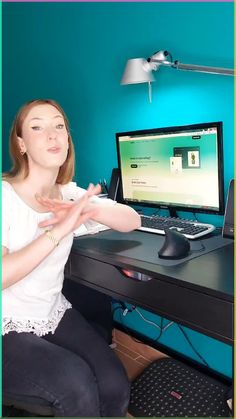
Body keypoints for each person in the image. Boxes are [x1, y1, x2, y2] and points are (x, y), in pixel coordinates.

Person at [2, 99, 141, 417]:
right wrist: (58, 230)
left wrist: (88, 210)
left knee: (114, 383)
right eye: (37, 127)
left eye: (59, 126)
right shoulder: (4, 196)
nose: (52, 134)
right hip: (5, 324)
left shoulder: (68, 194)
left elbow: (131, 220)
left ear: (67, 139)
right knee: (75, 385)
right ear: (21, 144)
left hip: (51, 312)